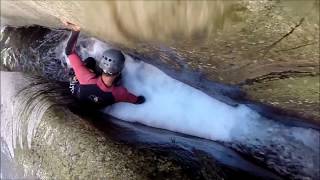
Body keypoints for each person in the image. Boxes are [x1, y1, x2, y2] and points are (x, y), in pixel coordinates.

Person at [62, 20, 145, 108]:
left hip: (76, 93)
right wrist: (140, 100)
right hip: (94, 103)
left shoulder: (85, 77)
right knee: (118, 79)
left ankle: (74, 75)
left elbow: (69, 51)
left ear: (101, 66)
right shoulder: (120, 93)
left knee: (90, 61)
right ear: (119, 70)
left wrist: (75, 31)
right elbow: (137, 100)